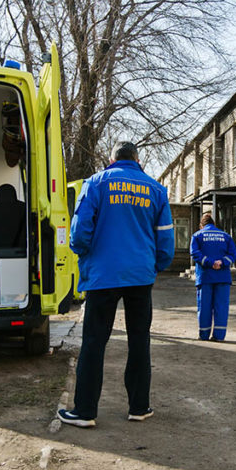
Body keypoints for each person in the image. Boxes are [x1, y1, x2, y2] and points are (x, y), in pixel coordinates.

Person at [57, 142, 175, 429]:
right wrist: (154, 265)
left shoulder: (96, 184)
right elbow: (166, 241)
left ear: (112, 159)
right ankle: (139, 407)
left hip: (103, 275)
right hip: (140, 276)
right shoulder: (156, 190)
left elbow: (79, 231)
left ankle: (85, 411)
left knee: (95, 341)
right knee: (139, 340)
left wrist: (86, 255)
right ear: (137, 159)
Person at [189, 213, 236, 342]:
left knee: (204, 307)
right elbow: (233, 254)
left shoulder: (197, 236)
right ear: (214, 224)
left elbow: (195, 253)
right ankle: (219, 335)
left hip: (205, 277)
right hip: (223, 277)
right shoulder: (226, 236)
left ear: (201, 225)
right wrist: (221, 262)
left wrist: (210, 262)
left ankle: (204, 335)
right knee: (221, 307)